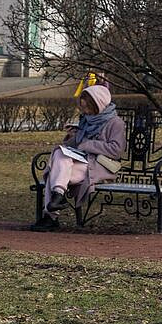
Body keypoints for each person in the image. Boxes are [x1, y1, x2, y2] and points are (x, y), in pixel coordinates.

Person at [31, 84, 127, 231]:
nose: (85, 111)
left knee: (55, 171)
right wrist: (72, 137)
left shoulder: (115, 123)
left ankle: (51, 215)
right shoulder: (86, 120)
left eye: (87, 107)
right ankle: (57, 197)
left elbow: (116, 150)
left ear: (98, 104)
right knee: (59, 155)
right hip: (81, 162)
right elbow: (76, 146)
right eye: (83, 108)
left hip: (100, 166)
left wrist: (88, 144)